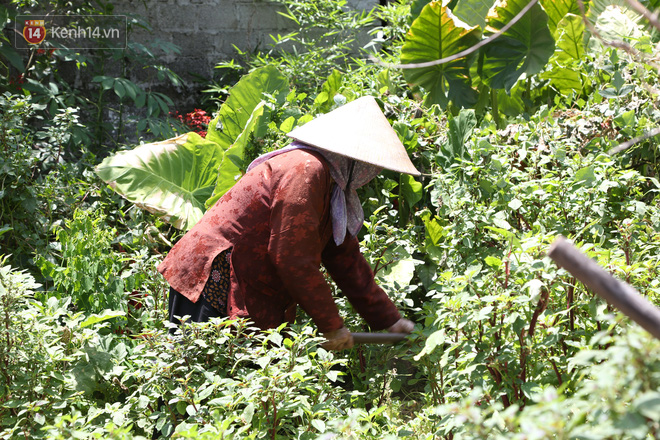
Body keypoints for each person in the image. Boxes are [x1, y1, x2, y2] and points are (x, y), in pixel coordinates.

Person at [158, 96, 420, 350]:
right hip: (213, 278)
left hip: (245, 279)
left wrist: (390, 319)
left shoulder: (331, 189)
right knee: (200, 377)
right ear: (351, 160)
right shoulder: (306, 170)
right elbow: (293, 258)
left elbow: (344, 259)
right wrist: (331, 325)